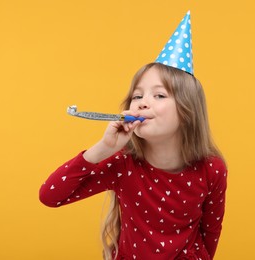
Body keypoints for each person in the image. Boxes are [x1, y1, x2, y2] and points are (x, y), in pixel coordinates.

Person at [39, 12, 227, 260]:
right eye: (137, 96)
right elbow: (50, 195)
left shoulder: (212, 168)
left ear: (187, 111)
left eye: (159, 95)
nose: (142, 103)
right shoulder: (122, 163)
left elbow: (210, 233)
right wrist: (102, 149)